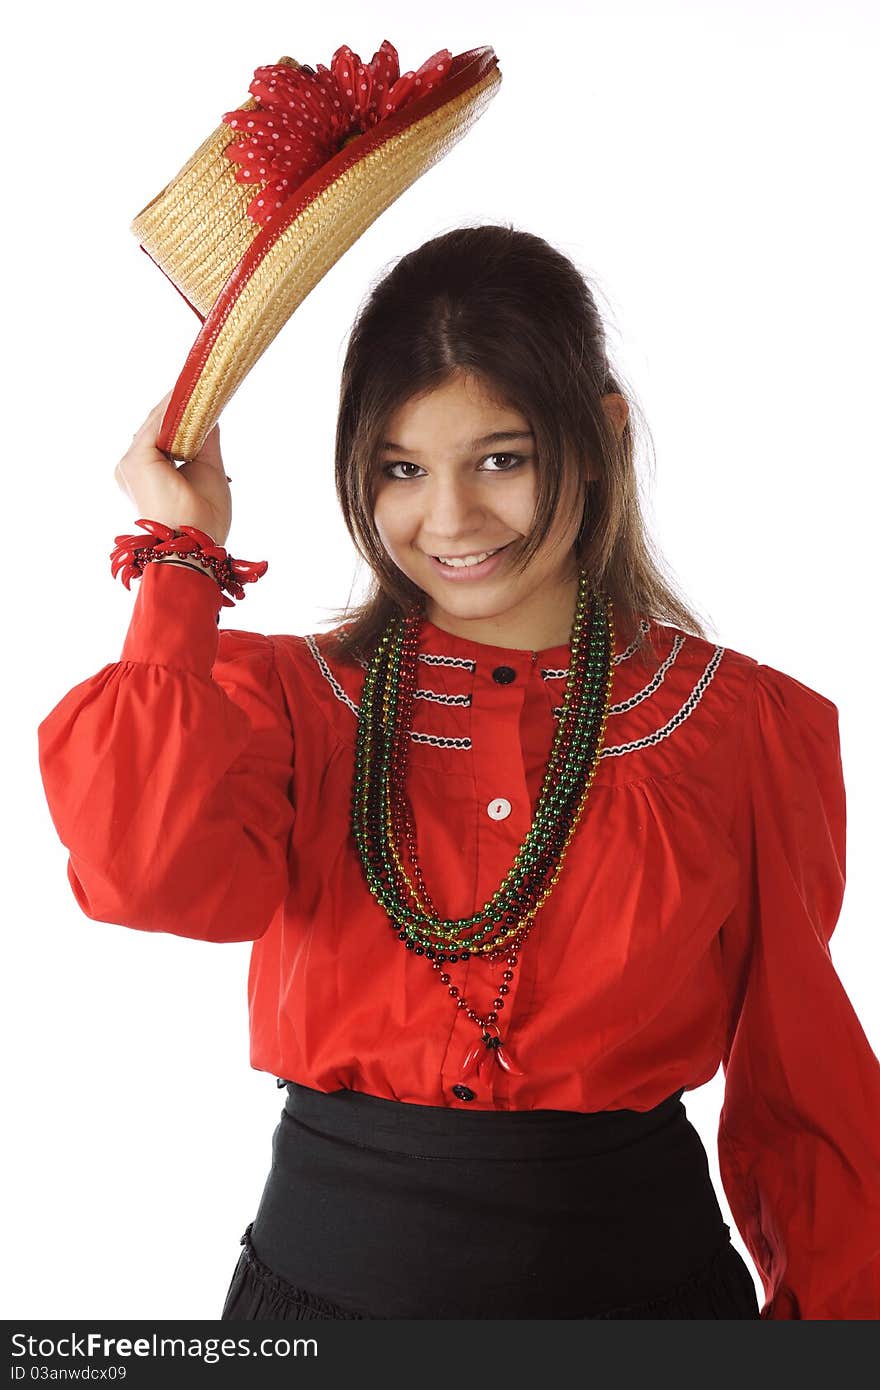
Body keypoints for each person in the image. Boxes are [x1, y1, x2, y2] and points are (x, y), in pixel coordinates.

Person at [37, 224, 880, 1320]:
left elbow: (803, 1094)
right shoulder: (285, 706)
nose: (450, 520)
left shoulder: (741, 726)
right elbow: (147, 875)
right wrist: (178, 559)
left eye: (500, 458)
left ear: (596, 440)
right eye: (400, 469)